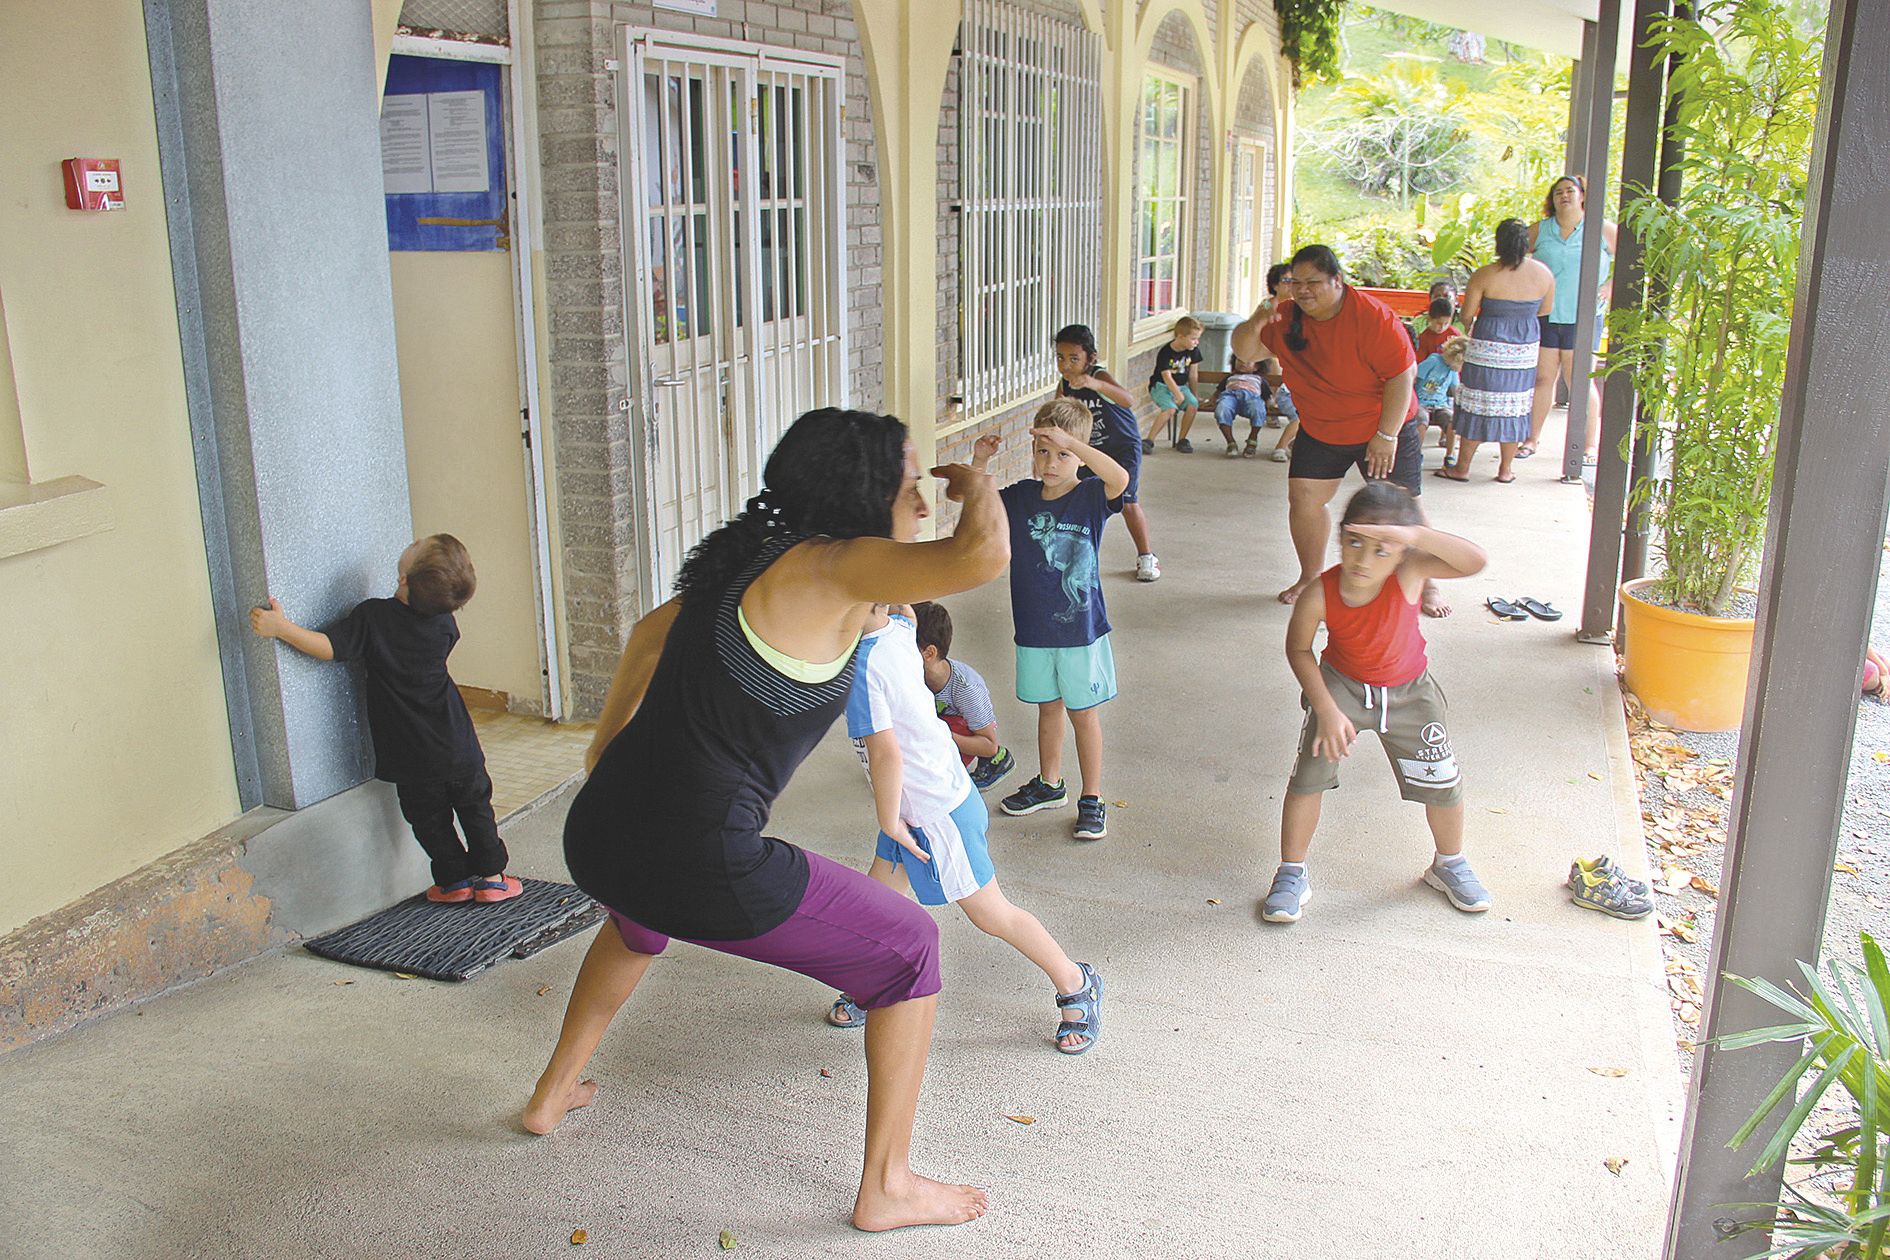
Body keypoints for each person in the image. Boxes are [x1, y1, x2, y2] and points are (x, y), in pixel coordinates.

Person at [524, 409, 1009, 1234]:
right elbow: (982, 554)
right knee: (910, 947)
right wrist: (979, 484)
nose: (923, 505)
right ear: (860, 500)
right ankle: (886, 1184)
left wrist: (602, 750)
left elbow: (646, 637)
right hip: (702, 859)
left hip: (601, 833)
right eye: (910, 487)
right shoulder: (833, 565)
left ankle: (550, 1095)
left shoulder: (750, 559)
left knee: (640, 919)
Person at [824, 603, 1102, 1055]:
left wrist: (887, 819)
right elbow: (908, 611)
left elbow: (885, 754)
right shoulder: (897, 628)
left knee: (992, 914)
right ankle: (867, 984)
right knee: (875, 906)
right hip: (920, 805)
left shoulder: (863, 668)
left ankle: (1077, 983)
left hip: (932, 814)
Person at [1261, 483, 1492, 925]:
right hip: (1340, 689)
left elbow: (1476, 561)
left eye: (1382, 550)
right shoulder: (1320, 592)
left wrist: (1414, 535)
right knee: (1308, 778)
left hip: (1411, 694)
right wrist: (1325, 708)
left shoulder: (1409, 572)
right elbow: (1299, 650)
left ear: (1404, 551)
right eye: (1354, 543)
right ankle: (1292, 871)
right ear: (1341, 536)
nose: (1364, 560)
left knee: (1442, 782)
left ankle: (1449, 863)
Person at [249, 535, 520, 905]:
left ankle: (454, 881)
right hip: (455, 743)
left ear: (405, 578)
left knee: (429, 820)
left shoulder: (373, 618)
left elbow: (330, 648)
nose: (416, 539)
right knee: (475, 810)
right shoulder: (444, 623)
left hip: (407, 752)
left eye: (419, 545)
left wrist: (282, 629)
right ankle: (492, 879)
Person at [1231, 245, 1450, 617]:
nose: (1303, 290)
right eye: (1295, 282)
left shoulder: (1371, 316)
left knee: (1403, 505)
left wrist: (1386, 435)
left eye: (1313, 282)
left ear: (1337, 280)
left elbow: (1402, 375)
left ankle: (1428, 584)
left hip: (1380, 425)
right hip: (1321, 426)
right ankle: (1310, 577)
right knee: (1304, 499)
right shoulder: (1283, 317)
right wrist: (1260, 316)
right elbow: (1245, 352)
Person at [970, 398, 1129, 842]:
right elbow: (977, 501)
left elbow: (1120, 478)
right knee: (1049, 709)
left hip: (1080, 632)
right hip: (1035, 630)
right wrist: (981, 459)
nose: (1051, 462)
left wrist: (1073, 441)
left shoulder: (1091, 497)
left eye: (1063, 453)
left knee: (1083, 715)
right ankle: (1050, 783)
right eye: (1043, 451)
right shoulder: (1021, 498)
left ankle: (1092, 797)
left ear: (1080, 453)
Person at [1439, 219, 1556, 485]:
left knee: (1478, 403)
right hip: (1523, 349)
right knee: (1514, 405)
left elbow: (1467, 315)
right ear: (1526, 243)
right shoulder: (1544, 274)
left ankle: (1462, 467)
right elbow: (1544, 311)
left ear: (1499, 243)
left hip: (1488, 346)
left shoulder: (1484, 274)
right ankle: (1505, 469)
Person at [1054, 323, 1160, 582]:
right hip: (1091, 452)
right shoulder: (1065, 385)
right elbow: (1057, 413)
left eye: (1074, 358)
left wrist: (1093, 383)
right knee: (1079, 499)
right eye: (1060, 357)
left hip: (1122, 448)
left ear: (1090, 358)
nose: (1066, 365)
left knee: (1127, 501)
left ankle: (1146, 556)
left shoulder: (1099, 376)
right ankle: (1075, 557)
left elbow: (1128, 399)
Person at [1522, 175, 1617, 463]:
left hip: (1585, 316)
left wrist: (1608, 288)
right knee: (1543, 378)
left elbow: (1632, 259)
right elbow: (1514, 256)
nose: (1564, 196)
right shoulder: (1541, 230)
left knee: (1581, 381)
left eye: (1570, 191)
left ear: (1583, 195)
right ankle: (1531, 440)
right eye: (1558, 192)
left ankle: (1588, 446)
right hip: (1547, 315)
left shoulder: (1601, 228)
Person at [910, 600, 1014, 790]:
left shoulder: (966, 689)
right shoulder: (910, 673)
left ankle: (997, 762)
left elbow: (988, 745)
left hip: (955, 732)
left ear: (929, 653)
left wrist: (940, 735)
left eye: (905, 646)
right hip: (935, 726)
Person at [1261, 263, 1301, 464]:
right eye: (1286, 281)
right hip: (1269, 353)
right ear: (1275, 284)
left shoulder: (1298, 307)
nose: (1291, 285)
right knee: (1274, 363)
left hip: (1289, 356)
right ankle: (1273, 402)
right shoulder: (1268, 305)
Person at [1147, 315, 1205, 453]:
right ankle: (1149, 440)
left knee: (1192, 405)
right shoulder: (1166, 352)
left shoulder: (1194, 351)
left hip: (1181, 386)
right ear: (1180, 337)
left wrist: (1194, 395)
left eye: (1198, 338)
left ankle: (1182, 439)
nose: (1196, 342)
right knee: (1170, 409)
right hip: (1161, 386)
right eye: (1193, 339)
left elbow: (1192, 375)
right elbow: (1166, 376)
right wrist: (1177, 394)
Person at [1414, 334, 1466, 467]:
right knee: (1421, 421)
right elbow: (1414, 378)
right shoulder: (1433, 361)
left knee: (1451, 422)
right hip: (1421, 402)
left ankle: (1450, 454)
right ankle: (1415, 454)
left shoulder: (1452, 371)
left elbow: (1455, 390)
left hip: (1440, 404)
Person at [1214, 352, 1271, 458]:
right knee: (1222, 409)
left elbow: (1267, 396)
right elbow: (1218, 391)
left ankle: (1252, 440)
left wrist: (1270, 406)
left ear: (1256, 367)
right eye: (1239, 360)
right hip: (1230, 397)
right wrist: (1212, 401)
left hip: (1251, 398)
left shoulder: (1259, 379)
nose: (1243, 363)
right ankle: (1231, 442)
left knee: (1258, 409)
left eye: (1248, 362)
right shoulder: (1230, 377)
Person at [1415, 296, 1463, 365]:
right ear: (1430, 319)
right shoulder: (1424, 338)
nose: (1442, 327)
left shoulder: (1454, 333)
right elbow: (1421, 362)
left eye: (1446, 323)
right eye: (1438, 323)